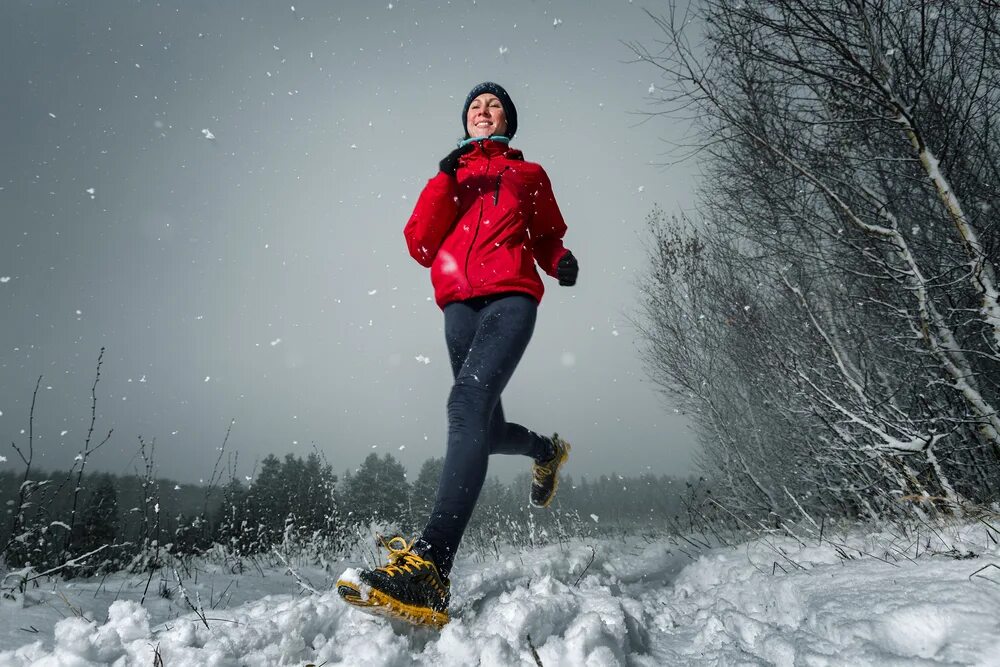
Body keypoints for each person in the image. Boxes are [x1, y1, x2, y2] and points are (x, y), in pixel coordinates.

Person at [337, 81, 578, 628]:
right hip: (458, 310)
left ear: (508, 120)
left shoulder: (528, 174)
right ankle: (546, 449)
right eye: (476, 106)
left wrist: (559, 259)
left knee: (465, 404)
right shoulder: (451, 176)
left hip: (511, 299)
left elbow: (546, 235)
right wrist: (445, 178)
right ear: (466, 122)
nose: (485, 110)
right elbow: (421, 245)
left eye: (494, 105)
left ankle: (431, 567)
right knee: (485, 430)